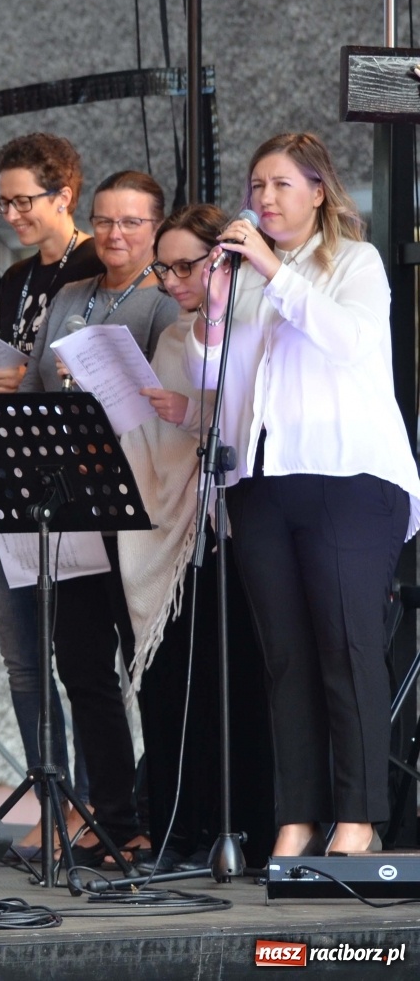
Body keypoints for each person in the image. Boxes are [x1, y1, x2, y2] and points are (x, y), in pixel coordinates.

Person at [191, 132, 420, 858]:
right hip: (262, 480)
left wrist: (270, 269)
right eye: (256, 186)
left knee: (346, 646)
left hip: (349, 478)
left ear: (319, 191)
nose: (263, 199)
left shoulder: (355, 260)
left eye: (281, 185)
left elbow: (348, 342)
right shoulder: (250, 278)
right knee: (285, 654)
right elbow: (218, 381)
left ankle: (359, 817)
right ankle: (297, 815)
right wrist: (217, 309)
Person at [4, 169, 180, 861]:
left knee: (151, 666)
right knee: (81, 663)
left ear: (156, 230)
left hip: (139, 507)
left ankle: (163, 816)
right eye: (105, 221)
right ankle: (114, 814)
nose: (114, 234)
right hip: (73, 505)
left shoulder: (165, 301)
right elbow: (43, 387)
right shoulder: (71, 296)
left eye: (132, 223)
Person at [0, 133, 102, 834]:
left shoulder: (99, 263)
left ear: (64, 193)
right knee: (21, 658)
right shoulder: (13, 280)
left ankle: (104, 802)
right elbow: (12, 370)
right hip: (11, 476)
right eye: (3, 201)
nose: (10, 214)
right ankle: (57, 797)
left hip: (76, 481)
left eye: (24, 200)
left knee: (80, 656)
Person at [120, 204, 275, 868]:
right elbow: (157, 441)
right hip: (190, 534)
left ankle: (252, 828)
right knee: (183, 684)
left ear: (225, 260)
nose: (173, 278)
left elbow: (264, 417)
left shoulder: (263, 317)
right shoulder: (175, 337)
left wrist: (193, 415)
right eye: (165, 266)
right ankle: (185, 830)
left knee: (246, 685)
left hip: (252, 525)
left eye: (186, 264)